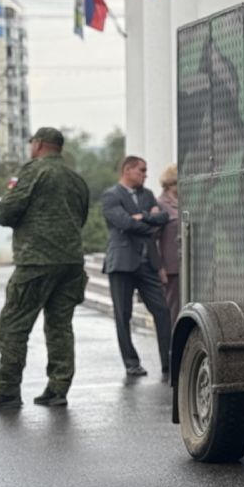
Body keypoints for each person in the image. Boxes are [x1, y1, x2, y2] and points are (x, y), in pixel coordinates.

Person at [0, 128, 91, 410]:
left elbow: (6, 212)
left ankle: (7, 390)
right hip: (71, 262)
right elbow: (82, 216)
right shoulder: (76, 179)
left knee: (12, 326)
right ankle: (57, 389)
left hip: (36, 261)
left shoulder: (34, 171)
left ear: (38, 145)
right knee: (60, 327)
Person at [101, 156, 172, 379]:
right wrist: (147, 222)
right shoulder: (111, 195)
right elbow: (123, 223)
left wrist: (142, 218)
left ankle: (169, 361)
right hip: (121, 263)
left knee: (162, 310)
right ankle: (131, 363)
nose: (145, 174)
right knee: (123, 315)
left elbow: (162, 218)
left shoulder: (147, 194)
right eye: (141, 170)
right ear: (128, 170)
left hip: (147, 263)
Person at [156, 164, 181, 329]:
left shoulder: (183, 201)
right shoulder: (160, 204)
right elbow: (154, 239)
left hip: (187, 265)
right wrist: (160, 267)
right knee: (172, 308)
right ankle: (171, 344)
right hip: (170, 267)